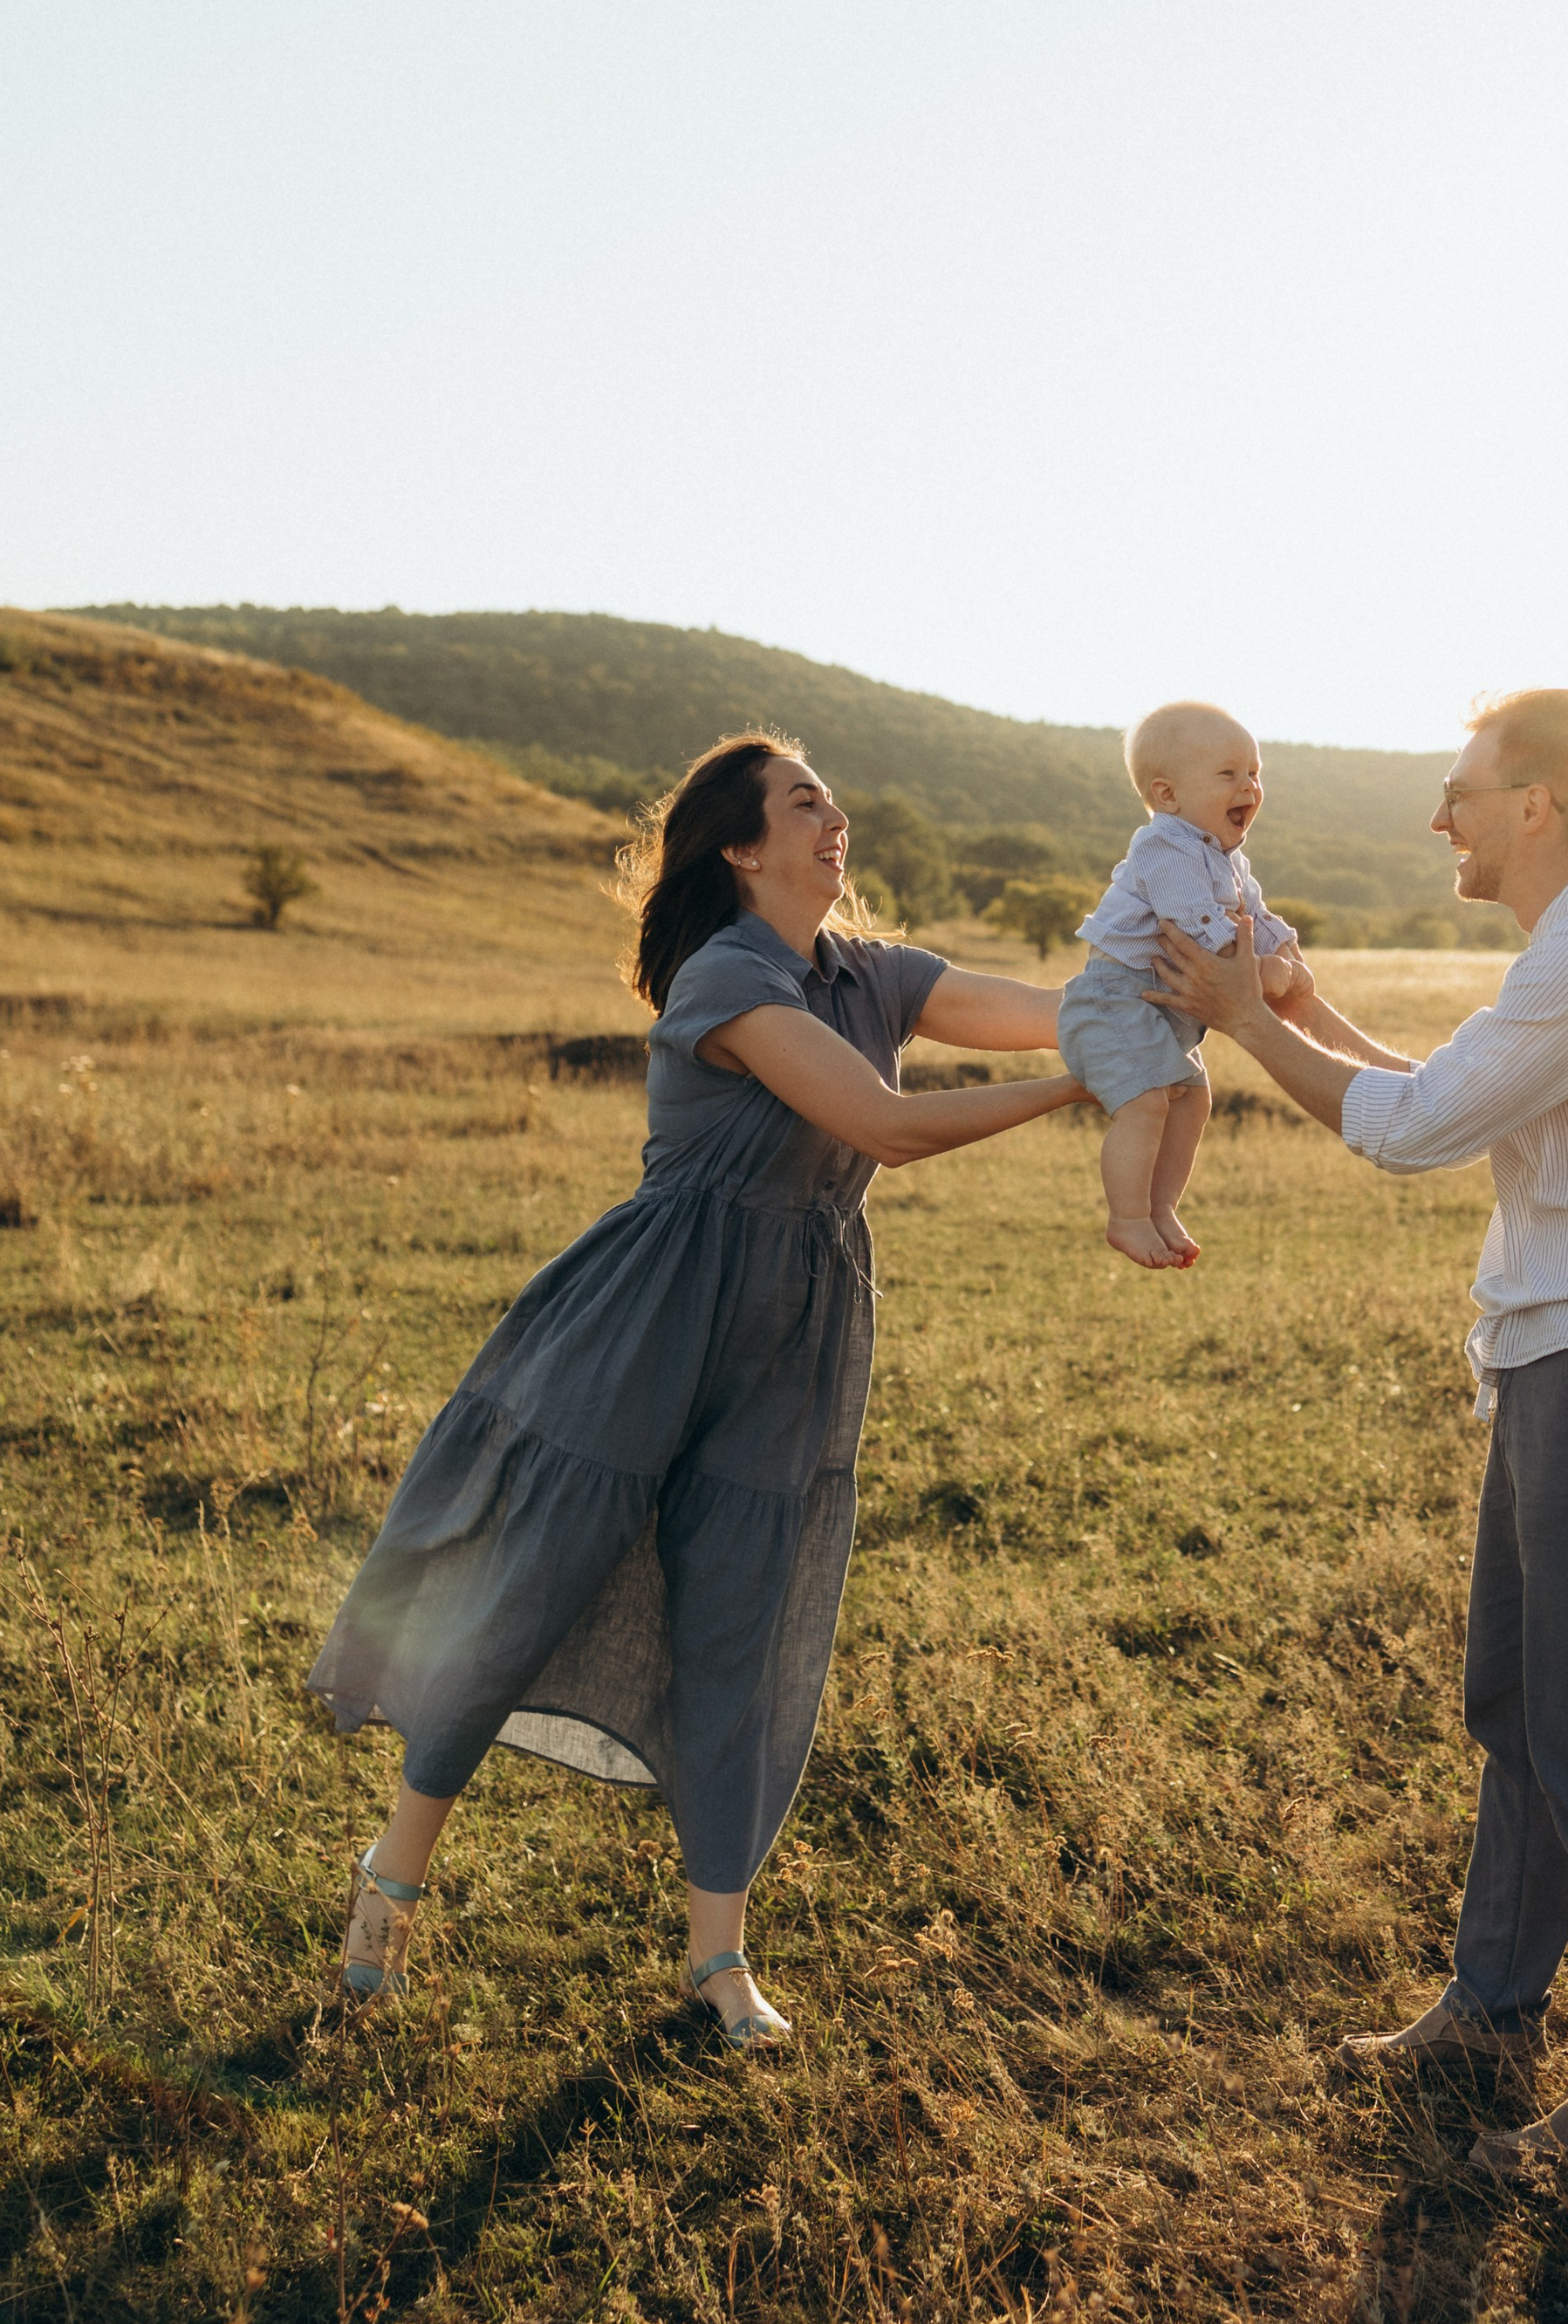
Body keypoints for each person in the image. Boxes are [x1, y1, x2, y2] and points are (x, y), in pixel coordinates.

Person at [311, 732, 1088, 2049]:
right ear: (742, 845)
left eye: (834, 796)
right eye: (804, 802)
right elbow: (886, 1130)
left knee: (747, 1611)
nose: (836, 817)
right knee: (528, 1589)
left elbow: (1062, 1007)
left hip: (799, 1328)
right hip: (652, 1311)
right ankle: (393, 1879)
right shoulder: (729, 973)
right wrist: (1086, 1084)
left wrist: (1178, 985)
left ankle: (719, 1963)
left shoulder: (873, 973)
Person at [1151, 688, 1568, 2170]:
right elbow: (1455, 1097)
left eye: (1463, 793)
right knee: (1520, 1700)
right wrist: (1296, 1013)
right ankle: (1493, 2003)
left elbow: (1415, 1133)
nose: (1443, 819)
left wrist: (1240, 1021)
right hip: (1567, 1351)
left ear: (1534, 806)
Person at [1057, 702, 1302, 1268]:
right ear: (1168, 797)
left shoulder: (1227, 858)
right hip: (1118, 999)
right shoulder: (1165, 845)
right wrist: (1261, 973)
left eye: (1254, 773)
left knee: (1192, 1099)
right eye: (1228, 774)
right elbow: (1200, 927)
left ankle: (1161, 1205)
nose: (1249, 786)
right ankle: (1128, 1218)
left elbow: (1255, 916)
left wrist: (1287, 953)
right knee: (1146, 1104)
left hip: (1158, 1010)